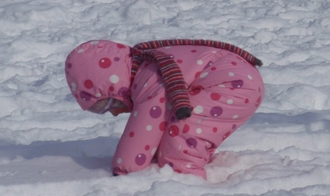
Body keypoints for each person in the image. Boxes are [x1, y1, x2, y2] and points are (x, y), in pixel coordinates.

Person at [65, 39, 264, 178]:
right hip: (238, 80)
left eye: (110, 104)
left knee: (182, 139)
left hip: (231, 85)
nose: (115, 112)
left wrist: (124, 169)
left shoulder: (151, 77)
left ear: (114, 84)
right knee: (179, 135)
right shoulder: (148, 65)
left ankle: (186, 186)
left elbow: (145, 128)